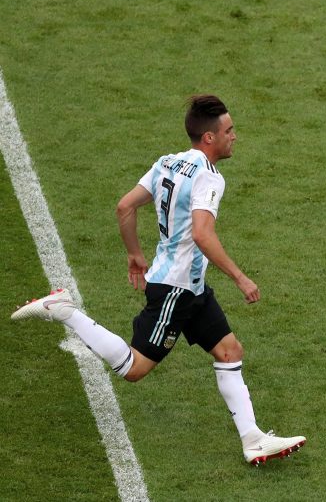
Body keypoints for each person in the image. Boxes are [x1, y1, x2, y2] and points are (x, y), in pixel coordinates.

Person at [11, 95, 305, 466]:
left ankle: (253, 440)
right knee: (135, 369)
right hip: (176, 289)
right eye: (229, 131)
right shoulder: (208, 177)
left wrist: (134, 252)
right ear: (209, 139)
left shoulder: (167, 162)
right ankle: (65, 310)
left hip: (189, 285)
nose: (235, 136)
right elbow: (202, 234)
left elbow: (125, 206)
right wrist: (240, 278)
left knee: (230, 351)